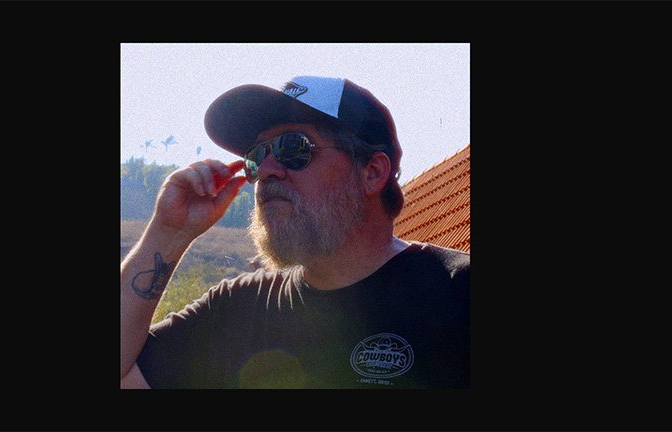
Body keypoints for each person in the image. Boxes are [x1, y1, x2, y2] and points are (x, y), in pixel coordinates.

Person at [120, 76, 470, 389]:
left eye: (294, 148)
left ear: (373, 173)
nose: (266, 171)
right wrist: (169, 232)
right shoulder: (235, 308)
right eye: (256, 156)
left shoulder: (459, 293)